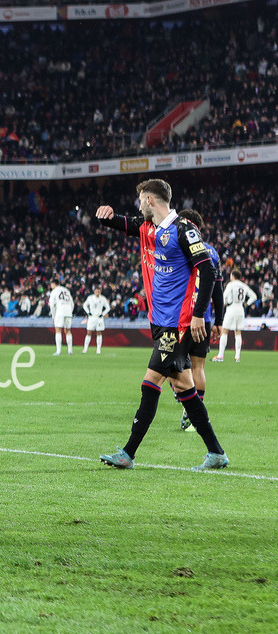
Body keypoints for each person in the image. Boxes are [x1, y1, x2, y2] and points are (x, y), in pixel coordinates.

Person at [95, 178, 227, 471]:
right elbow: (123, 224)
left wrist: (198, 314)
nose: (138, 205)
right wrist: (105, 216)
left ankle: (128, 453)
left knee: (150, 382)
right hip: (160, 321)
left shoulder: (183, 229)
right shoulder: (149, 228)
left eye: (141, 199)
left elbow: (206, 270)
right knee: (183, 386)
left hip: (177, 324)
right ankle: (216, 453)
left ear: (151, 200)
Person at [174, 209, 224, 432]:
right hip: (203, 318)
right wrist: (218, 321)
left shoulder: (180, 246)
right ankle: (193, 413)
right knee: (198, 366)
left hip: (181, 317)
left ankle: (188, 404)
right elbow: (218, 290)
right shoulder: (211, 252)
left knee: (171, 366)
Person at [214, 269, 257, 363]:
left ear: (233, 276)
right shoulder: (244, 285)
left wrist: (223, 303)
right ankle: (237, 356)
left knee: (225, 331)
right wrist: (247, 303)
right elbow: (254, 296)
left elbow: (224, 296)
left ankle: (220, 355)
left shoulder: (231, 284)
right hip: (241, 309)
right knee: (238, 333)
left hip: (231, 308)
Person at [48, 278, 74, 356]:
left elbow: (52, 305)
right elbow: (72, 303)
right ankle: (70, 350)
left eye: (51, 284)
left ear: (54, 284)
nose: (51, 286)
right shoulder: (66, 290)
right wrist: (70, 311)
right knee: (68, 330)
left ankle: (58, 351)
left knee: (58, 330)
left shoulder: (54, 291)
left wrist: (53, 315)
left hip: (59, 312)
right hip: (68, 312)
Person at [81, 286, 110, 355]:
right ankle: (85, 348)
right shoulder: (90, 298)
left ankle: (98, 349)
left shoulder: (103, 298)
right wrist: (88, 312)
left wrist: (103, 314)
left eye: (99, 292)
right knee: (89, 332)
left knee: (99, 333)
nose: (98, 293)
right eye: (96, 291)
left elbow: (108, 308)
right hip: (92, 317)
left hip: (99, 318)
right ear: (94, 292)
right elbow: (84, 305)